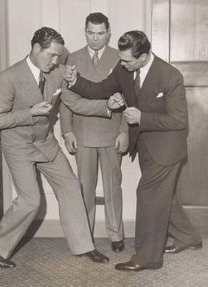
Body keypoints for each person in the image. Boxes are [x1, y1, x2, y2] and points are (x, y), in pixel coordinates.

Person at [64, 30, 202, 271]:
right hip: (146, 146)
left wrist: (142, 117)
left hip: (167, 149)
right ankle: (188, 236)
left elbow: (179, 121)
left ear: (145, 56)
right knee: (163, 196)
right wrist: (75, 81)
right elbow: (99, 89)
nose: (122, 64)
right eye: (122, 58)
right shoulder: (124, 67)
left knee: (148, 196)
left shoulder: (170, 76)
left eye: (127, 60)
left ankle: (148, 257)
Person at [0, 27, 110, 268]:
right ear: (35, 49)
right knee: (31, 200)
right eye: (51, 55)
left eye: (59, 57)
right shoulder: (8, 78)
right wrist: (28, 113)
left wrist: (104, 105)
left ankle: (84, 246)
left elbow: (74, 95)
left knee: (71, 186)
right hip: (18, 143)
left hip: (45, 142)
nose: (56, 62)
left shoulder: (56, 72)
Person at [60, 12, 128, 252]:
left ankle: (116, 234)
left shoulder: (120, 58)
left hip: (112, 135)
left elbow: (130, 98)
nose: (96, 38)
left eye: (100, 33)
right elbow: (66, 100)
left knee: (113, 186)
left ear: (108, 32)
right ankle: (85, 235)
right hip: (83, 134)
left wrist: (124, 131)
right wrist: (67, 132)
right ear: (85, 31)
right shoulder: (72, 58)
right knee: (84, 188)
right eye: (91, 33)